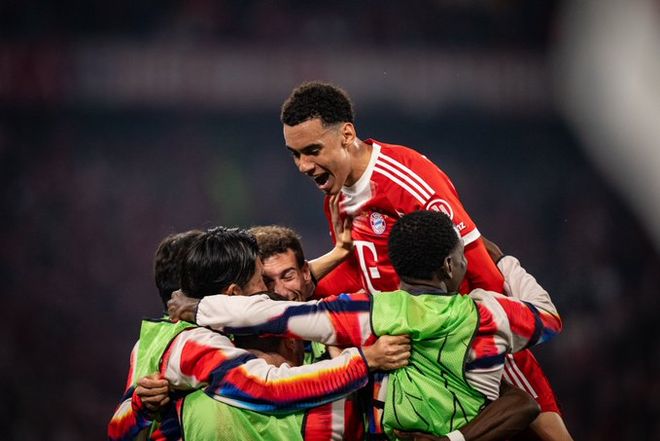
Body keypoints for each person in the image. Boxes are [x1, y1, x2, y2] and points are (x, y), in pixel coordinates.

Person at [279, 81, 572, 440]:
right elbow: (359, 273)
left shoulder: (408, 179)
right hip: (411, 354)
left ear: (347, 135)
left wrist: (484, 338)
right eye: (295, 154)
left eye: (312, 150)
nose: (303, 165)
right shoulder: (336, 197)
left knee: (538, 419)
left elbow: (480, 270)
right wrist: (306, 291)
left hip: (459, 341)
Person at [168, 211, 562, 439]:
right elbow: (547, 316)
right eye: (464, 256)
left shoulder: (369, 313)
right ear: (449, 265)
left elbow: (275, 315)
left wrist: (199, 307)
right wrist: (503, 262)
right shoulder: (492, 314)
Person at [108, 227, 410, 441]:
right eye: (262, 280)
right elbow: (270, 387)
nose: (271, 291)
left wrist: (336, 255)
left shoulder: (226, 331)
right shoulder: (193, 342)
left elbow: (283, 305)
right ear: (232, 295)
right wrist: (364, 361)